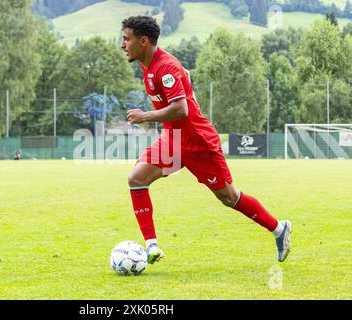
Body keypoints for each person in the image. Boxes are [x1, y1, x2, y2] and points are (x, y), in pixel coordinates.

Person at [120, 16, 292, 265]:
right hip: (174, 139)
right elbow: (184, 77)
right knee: (137, 179)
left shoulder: (165, 66)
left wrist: (144, 115)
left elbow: (181, 109)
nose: (122, 44)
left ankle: (279, 228)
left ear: (143, 41)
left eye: (126, 39)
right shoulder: (149, 64)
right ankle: (151, 246)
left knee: (229, 198)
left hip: (198, 143)